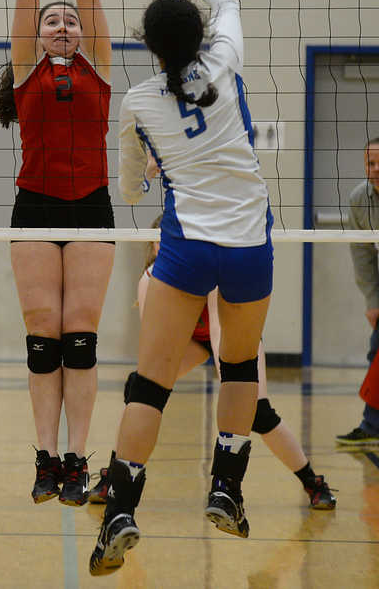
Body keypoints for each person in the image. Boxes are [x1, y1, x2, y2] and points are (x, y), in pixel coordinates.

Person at [89, 0, 274, 576]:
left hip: (186, 246)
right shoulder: (224, 59)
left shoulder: (139, 103)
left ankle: (120, 508)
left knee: (151, 383)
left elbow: (131, 193)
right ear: (198, 37)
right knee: (240, 365)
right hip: (248, 243)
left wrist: (151, 164)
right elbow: (228, 4)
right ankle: (226, 488)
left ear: (149, 47)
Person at [0, 0, 115, 507]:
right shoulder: (25, 69)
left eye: (70, 19)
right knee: (43, 336)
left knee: (81, 337)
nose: (63, 25)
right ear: (38, 35)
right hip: (35, 205)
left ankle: (77, 457)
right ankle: (44, 458)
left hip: (92, 206)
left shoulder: (98, 65)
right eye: (53, 21)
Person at [88, 215, 336, 510]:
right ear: (154, 248)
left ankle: (313, 482)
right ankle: (114, 478)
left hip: (232, 335)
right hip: (190, 341)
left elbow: (220, 333)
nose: (163, 246)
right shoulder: (151, 280)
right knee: (138, 391)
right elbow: (155, 346)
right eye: (158, 241)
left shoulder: (206, 272)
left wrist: (232, 386)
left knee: (258, 412)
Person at [337, 137, 379, 446]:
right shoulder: (359, 199)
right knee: (377, 351)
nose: (375, 169)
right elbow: (362, 254)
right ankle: (372, 425)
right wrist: (373, 301)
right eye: (370, 163)